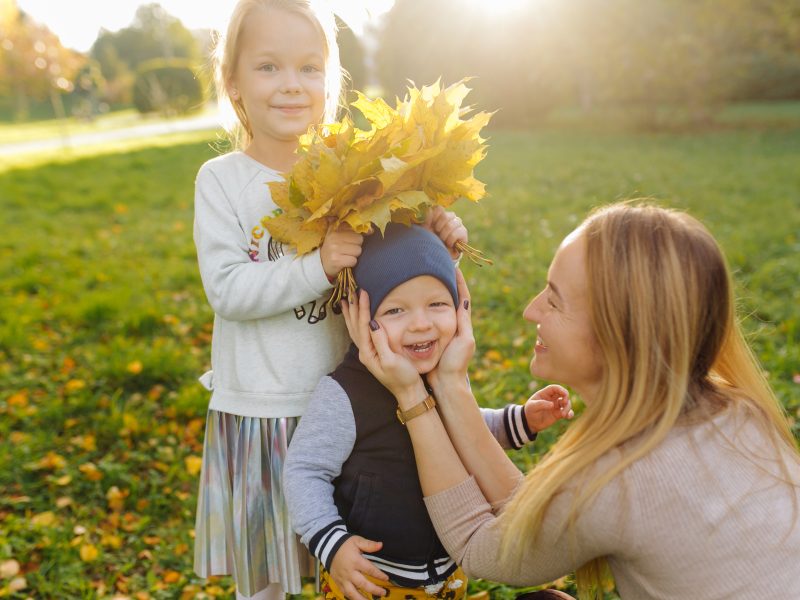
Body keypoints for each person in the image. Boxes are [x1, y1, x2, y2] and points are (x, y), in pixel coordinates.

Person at [343, 203, 800, 600]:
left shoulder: (620, 476)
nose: (531, 310)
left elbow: (479, 547)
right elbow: (536, 517)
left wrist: (411, 394)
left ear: (617, 334)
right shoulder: (739, 413)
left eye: (555, 302)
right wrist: (450, 383)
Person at [191, 2, 468, 599]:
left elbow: (398, 270)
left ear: (330, 79)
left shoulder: (354, 175)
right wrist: (316, 265)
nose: (292, 84)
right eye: (268, 67)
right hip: (263, 411)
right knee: (267, 577)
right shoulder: (222, 181)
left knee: (350, 561)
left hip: (354, 406)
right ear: (234, 81)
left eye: (309, 68)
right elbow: (228, 289)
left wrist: (437, 235)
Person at [284, 224, 573, 600]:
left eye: (437, 304)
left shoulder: (440, 374)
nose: (421, 324)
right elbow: (305, 470)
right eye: (395, 309)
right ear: (358, 316)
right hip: (374, 579)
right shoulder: (345, 393)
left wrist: (517, 421)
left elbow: (462, 434)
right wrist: (332, 542)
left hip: (446, 575)